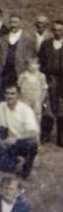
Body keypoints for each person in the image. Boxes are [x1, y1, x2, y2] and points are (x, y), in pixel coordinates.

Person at [0, 86, 39, 179]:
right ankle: (15, 160)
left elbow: (33, 132)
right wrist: (2, 143)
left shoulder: (25, 110)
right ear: (4, 94)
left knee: (33, 144)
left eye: (12, 94)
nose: (9, 96)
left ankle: (27, 165)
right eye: (7, 93)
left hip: (22, 141)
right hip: (8, 141)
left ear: (18, 95)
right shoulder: (2, 106)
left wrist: (17, 138)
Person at [39, 19, 63, 147]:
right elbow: (41, 61)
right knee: (46, 107)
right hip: (49, 78)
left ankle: (61, 136)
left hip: (62, 81)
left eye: (60, 30)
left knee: (61, 108)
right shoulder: (46, 44)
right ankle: (45, 133)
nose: (57, 32)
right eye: (55, 30)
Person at [17, 56, 48, 126]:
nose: (33, 66)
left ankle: (35, 135)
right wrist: (20, 99)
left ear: (39, 65)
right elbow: (18, 88)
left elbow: (44, 89)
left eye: (35, 64)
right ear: (27, 66)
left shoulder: (41, 76)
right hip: (25, 101)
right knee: (25, 118)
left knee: (36, 119)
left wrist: (40, 101)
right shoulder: (23, 76)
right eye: (30, 64)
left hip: (36, 102)